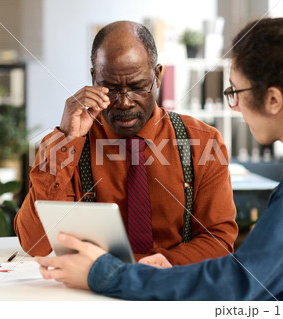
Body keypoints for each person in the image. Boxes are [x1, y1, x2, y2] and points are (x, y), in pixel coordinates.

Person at [34, 18, 283, 300]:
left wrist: (105, 273)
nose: (235, 108)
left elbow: (243, 280)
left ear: (272, 99)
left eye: (235, 92)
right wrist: (65, 138)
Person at [15, 21, 238, 266]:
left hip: (172, 286)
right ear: (94, 78)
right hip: (93, 294)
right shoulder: (68, 145)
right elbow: (34, 243)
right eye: (110, 88)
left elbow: (218, 240)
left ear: (158, 76)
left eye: (138, 87)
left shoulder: (203, 141)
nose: (124, 102)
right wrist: (67, 139)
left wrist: (162, 265)